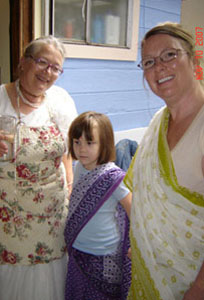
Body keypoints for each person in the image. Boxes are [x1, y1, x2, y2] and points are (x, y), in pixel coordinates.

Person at [124, 22, 204, 300]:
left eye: (170, 55)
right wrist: (143, 238)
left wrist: (198, 289)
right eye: (148, 62)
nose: (159, 67)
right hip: (148, 271)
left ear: (193, 58)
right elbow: (145, 197)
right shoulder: (159, 120)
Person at [0, 35, 77, 300]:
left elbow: (69, 152)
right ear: (23, 63)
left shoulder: (60, 100)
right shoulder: (0, 97)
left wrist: (69, 187)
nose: (48, 72)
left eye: (56, 68)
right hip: (8, 218)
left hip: (51, 216)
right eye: (42, 62)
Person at [64, 111, 132, 300]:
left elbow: (134, 211)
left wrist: (137, 246)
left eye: (90, 142)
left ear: (104, 143)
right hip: (78, 251)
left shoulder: (113, 177)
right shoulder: (79, 168)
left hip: (103, 255)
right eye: (77, 142)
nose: (81, 149)